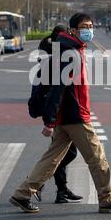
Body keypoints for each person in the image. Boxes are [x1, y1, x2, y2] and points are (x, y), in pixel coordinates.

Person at [10, 13, 111, 213]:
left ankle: (22, 194)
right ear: (73, 30)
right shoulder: (71, 53)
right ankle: (107, 199)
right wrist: (49, 121)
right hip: (75, 116)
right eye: (85, 26)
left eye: (91, 25)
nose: (89, 30)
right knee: (97, 157)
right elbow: (59, 88)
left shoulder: (70, 49)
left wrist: (52, 119)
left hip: (65, 116)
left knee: (51, 159)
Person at [34, 24, 83, 204]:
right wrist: (50, 119)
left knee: (62, 152)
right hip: (59, 110)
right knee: (66, 153)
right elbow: (55, 85)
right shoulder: (55, 52)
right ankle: (37, 181)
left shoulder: (55, 50)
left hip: (59, 108)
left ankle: (61, 191)